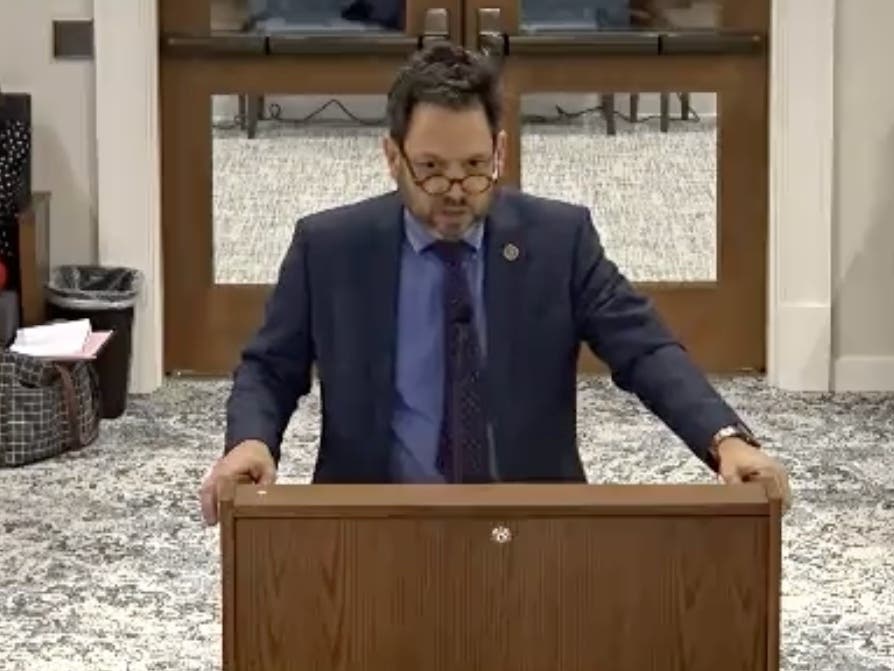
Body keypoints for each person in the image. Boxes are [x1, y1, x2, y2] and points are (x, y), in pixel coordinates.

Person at [200, 43, 790, 525]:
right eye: (431, 169)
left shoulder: (560, 241)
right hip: (375, 521)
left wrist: (725, 440)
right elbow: (270, 368)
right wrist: (252, 441)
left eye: (475, 167)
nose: (455, 191)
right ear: (392, 156)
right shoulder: (329, 248)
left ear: (500, 152)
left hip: (531, 523)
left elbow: (646, 349)